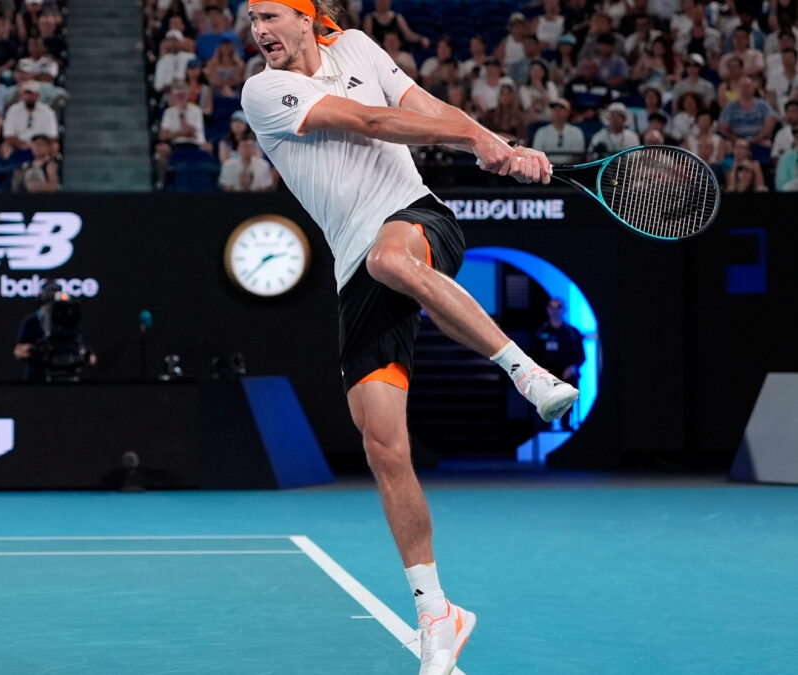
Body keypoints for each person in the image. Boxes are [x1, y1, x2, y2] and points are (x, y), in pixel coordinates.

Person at [240, 3, 578, 675]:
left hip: (417, 217)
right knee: (383, 445)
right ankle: (437, 615)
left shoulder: (359, 48)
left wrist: (496, 142)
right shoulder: (263, 90)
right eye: (252, 20)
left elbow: (424, 106)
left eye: (271, 16)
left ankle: (526, 371)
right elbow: (371, 122)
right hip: (353, 268)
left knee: (390, 258)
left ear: (306, 17)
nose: (259, 31)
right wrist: (479, 141)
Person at [528, 297, 584, 430]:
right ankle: (545, 424)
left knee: (570, 383)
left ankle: (566, 422)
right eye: (551, 307)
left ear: (564, 310)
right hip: (545, 372)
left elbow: (581, 356)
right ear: (547, 310)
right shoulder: (539, 332)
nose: (555, 310)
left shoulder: (572, 332)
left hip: (566, 372)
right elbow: (532, 354)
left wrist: (573, 367)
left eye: (558, 307)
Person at [531, 98, 586, 163]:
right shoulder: (541, 132)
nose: (557, 112)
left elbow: (578, 156)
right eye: (554, 109)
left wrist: (566, 167)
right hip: (548, 168)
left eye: (560, 109)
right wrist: (551, 166)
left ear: (568, 113)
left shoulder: (577, 132)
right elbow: (537, 154)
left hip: (571, 168)